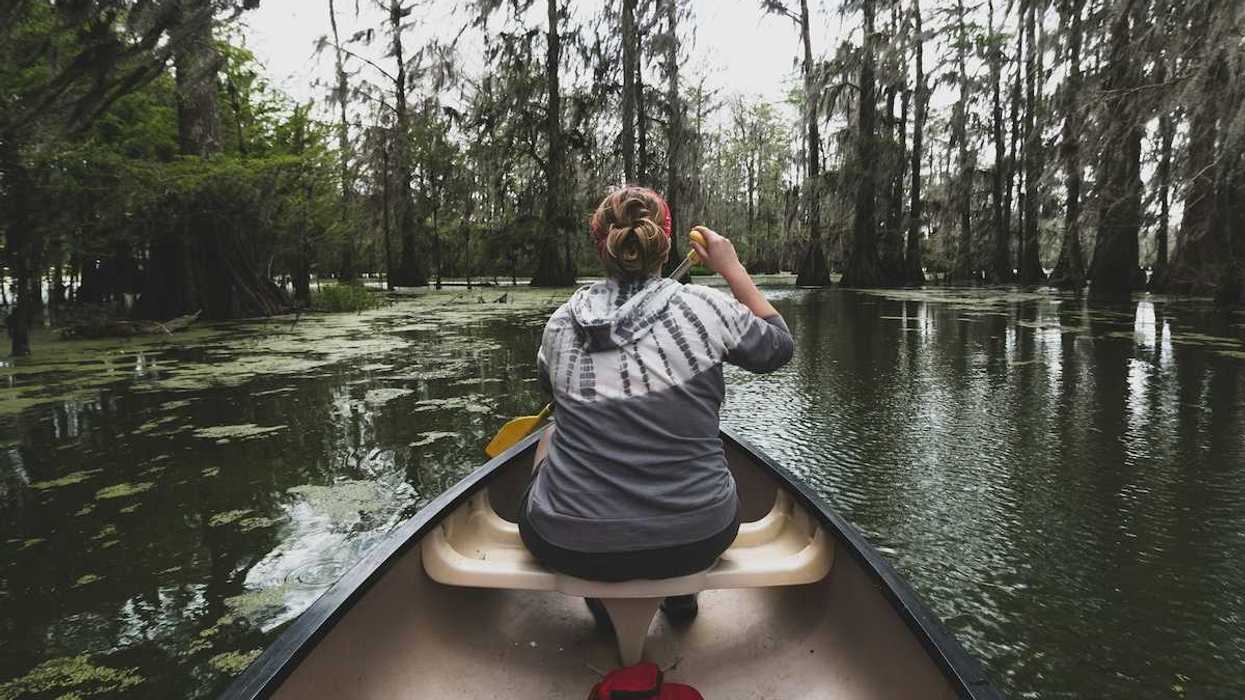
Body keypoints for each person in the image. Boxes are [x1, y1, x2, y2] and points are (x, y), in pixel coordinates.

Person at [518, 186, 794, 621]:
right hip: (700, 536)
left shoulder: (560, 323)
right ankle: (681, 597)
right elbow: (778, 347)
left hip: (570, 544)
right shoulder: (708, 307)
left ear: (601, 246)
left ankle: (603, 604)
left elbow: (549, 391)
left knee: (551, 432)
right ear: (663, 245)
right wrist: (732, 268)